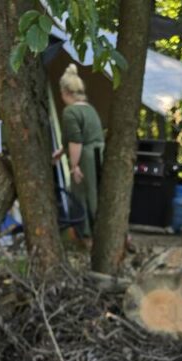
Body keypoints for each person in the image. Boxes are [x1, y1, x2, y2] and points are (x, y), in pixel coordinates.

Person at [53, 64, 104, 241]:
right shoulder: (89, 109)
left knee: (83, 195)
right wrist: (62, 151)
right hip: (99, 154)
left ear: (65, 92)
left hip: (86, 158)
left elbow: (76, 141)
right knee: (96, 193)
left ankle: (86, 233)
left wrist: (74, 166)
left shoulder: (70, 111)